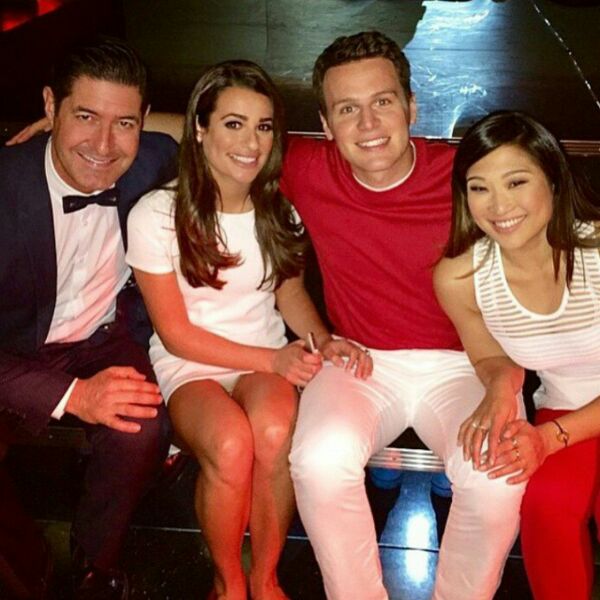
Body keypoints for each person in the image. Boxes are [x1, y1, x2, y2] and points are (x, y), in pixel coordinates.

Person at [280, 31, 527, 600]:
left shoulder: (465, 176)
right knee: (318, 461)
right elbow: (209, 136)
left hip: (465, 361)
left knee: (495, 478)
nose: (368, 124)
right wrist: (95, 129)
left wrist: (508, 374)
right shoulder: (309, 168)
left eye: (383, 101)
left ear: (412, 107)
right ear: (325, 124)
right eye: (348, 109)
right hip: (361, 361)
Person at [125, 60, 371, 600]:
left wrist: (322, 339)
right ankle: (228, 581)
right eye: (233, 124)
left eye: (263, 126)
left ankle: (265, 576)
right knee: (232, 444)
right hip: (190, 363)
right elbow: (176, 334)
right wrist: (276, 361)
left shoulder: (279, 210)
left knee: (275, 434)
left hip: (262, 353)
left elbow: (290, 295)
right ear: (200, 129)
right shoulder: (156, 214)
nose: (251, 142)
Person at [0, 37, 177, 599]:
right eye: (84, 116)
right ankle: (29, 573)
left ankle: (94, 565)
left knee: (142, 424)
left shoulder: (150, 158)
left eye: (124, 122)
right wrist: (74, 396)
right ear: (49, 105)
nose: (103, 145)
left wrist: (102, 121)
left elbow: (215, 128)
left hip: (101, 337)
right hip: (10, 349)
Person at [434, 110, 600, 600]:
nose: (498, 205)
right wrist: (499, 389)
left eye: (516, 182)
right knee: (545, 504)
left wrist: (549, 438)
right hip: (564, 409)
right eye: (479, 188)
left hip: (564, 426)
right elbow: (489, 358)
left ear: (553, 178)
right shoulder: (461, 277)